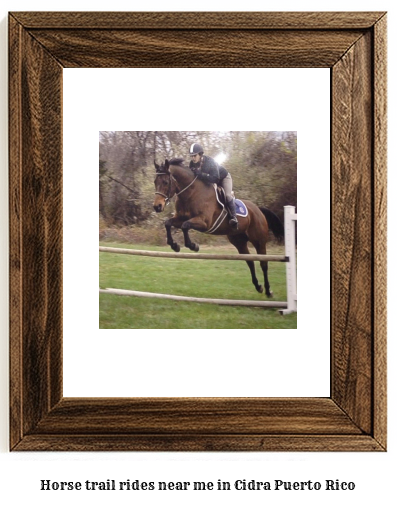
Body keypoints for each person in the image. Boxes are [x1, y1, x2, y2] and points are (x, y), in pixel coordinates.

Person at [188, 143, 238, 228]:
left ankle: (234, 217)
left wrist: (201, 175)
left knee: (227, 196)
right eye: (191, 156)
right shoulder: (192, 164)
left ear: (200, 154)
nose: (193, 158)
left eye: (194, 155)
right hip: (210, 181)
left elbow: (215, 178)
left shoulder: (209, 161)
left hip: (223, 178)